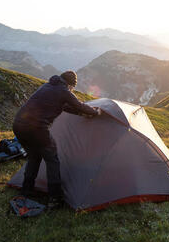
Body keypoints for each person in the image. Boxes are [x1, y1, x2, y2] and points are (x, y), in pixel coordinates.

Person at [13, 70, 102, 208]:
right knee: (52, 160)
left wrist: (80, 113)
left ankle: (26, 190)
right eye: (73, 87)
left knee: (34, 157)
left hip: (19, 126)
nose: (72, 89)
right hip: (37, 129)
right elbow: (77, 104)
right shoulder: (64, 91)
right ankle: (55, 198)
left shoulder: (47, 86)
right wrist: (94, 112)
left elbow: (64, 106)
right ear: (70, 84)